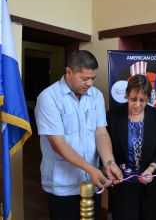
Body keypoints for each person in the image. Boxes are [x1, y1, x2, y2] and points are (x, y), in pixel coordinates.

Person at [34, 50, 123, 220]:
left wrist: (109, 162)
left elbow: (101, 133)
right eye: (84, 78)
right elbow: (57, 143)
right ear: (69, 72)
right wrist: (92, 170)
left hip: (92, 181)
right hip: (63, 183)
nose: (89, 83)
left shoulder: (96, 95)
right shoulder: (49, 97)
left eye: (93, 78)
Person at [106, 74, 156, 220]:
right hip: (123, 185)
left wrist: (150, 169)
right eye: (133, 99)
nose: (137, 105)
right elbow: (106, 150)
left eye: (143, 100)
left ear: (149, 99)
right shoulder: (113, 117)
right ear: (127, 95)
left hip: (151, 184)